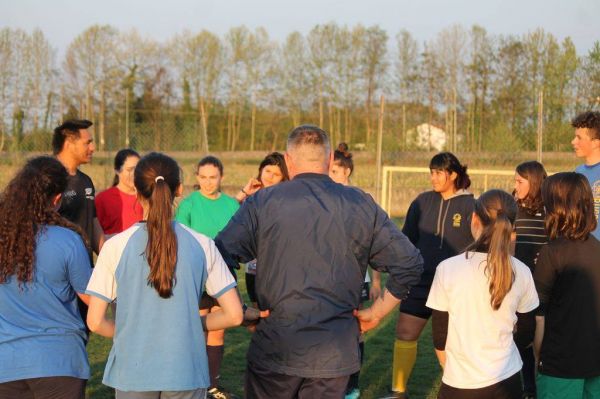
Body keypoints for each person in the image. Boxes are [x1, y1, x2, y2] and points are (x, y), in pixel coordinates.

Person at [215, 124, 424, 399]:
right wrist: (378, 312)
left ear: (288, 162)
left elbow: (214, 259)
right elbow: (409, 263)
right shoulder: (360, 203)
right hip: (327, 353)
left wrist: (239, 310)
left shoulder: (263, 201)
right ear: (328, 160)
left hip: (282, 349)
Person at [85, 152, 243, 399]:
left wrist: (134, 330)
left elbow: (95, 321)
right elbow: (234, 315)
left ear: (137, 191)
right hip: (185, 370)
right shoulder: (202, 244)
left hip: (132, 371)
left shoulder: (115, 246)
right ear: (179, 189)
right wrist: (189, 326)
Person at [424, 189, 539, 398]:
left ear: (475, 219)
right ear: (512, 226)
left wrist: (450, 368)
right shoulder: (522, 271)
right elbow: (526, 333)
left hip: (459, 383)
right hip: (507, 380)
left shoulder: (447, 268)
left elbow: (440, 335)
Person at [0, 156, 92, 399]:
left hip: (6, 364)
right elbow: (92, 298)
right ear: (57, 199)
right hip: (60, 362)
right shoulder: (68, 240)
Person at [388, 152, 474, 398]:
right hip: (420, 281)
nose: (433, 178)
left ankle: (459, 389)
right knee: (405, 333)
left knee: (449, 344)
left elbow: (478, 246)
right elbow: (406, 240)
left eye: (438, 173)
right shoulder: (422, 202)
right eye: (431, 172)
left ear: (453, 174)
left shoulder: (470, 205)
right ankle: (398, 391)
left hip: (453, 287)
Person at [175, 156, 240, 399]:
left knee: (218, 329)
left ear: (221, 177)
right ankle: (194, 381)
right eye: (203, 177)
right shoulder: (189, 204)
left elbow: (239, 239)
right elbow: (181, 238)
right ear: (197, 178)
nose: (208, 182)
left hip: (223, 274)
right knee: (198, 329)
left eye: (213, 177)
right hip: (197, 275)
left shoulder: (232, 205)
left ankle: (212, 385)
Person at [533, 172, 600, 399]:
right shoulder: (597, 248)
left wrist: (538, 356)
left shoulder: (552, 252)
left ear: (557, 206)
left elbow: (538, 316)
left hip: (560, 366)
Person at [329, 142, 382, 399]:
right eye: (328, 172)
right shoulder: (324, 201)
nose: (331, 177)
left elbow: (372, 244)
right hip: (329, 280)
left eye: (335, 172)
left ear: (346, 172)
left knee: (355, 331)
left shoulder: (361, 200)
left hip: (356, 280)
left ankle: (352, 385)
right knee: (332, 330)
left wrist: (376, 281)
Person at [235, 152, 290, 308]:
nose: (270, 177)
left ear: (283, 178)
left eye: (276, 174)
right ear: (261, 170)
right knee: (257, 314)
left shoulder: (286, 200)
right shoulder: (250, 198)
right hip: (253, 267)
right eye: (267, 171)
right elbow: (227, 215)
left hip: (278, 267)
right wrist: (244, 193)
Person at [512, 161, 548, 399]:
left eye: (519, 181)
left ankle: (542, 379)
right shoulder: (512, 207)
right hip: (517, 282)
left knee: (540, 337)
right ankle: (528, 387)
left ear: (533, 182)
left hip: (543, 281)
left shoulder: (550, 210)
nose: (514, 186)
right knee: (522, 334)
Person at [53, 119, 105, 255]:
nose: (93, 148)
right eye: (87, 143)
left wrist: (108, 257)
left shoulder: (86, 181)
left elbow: (92, 221)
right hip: (58, 269)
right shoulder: (47, 179)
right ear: (69, 143)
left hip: (83, 267)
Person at [95, 149, 143, 238]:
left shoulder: (146, 197)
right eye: (129, 170)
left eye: (138, 169)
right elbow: (95, 233)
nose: (134, 174)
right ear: (117, 171)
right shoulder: (103, 199)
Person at [572, 111, 600, 239]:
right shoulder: (577, 173)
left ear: (596, 142)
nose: (573, 142)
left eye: (579, 138)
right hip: (582, 249)